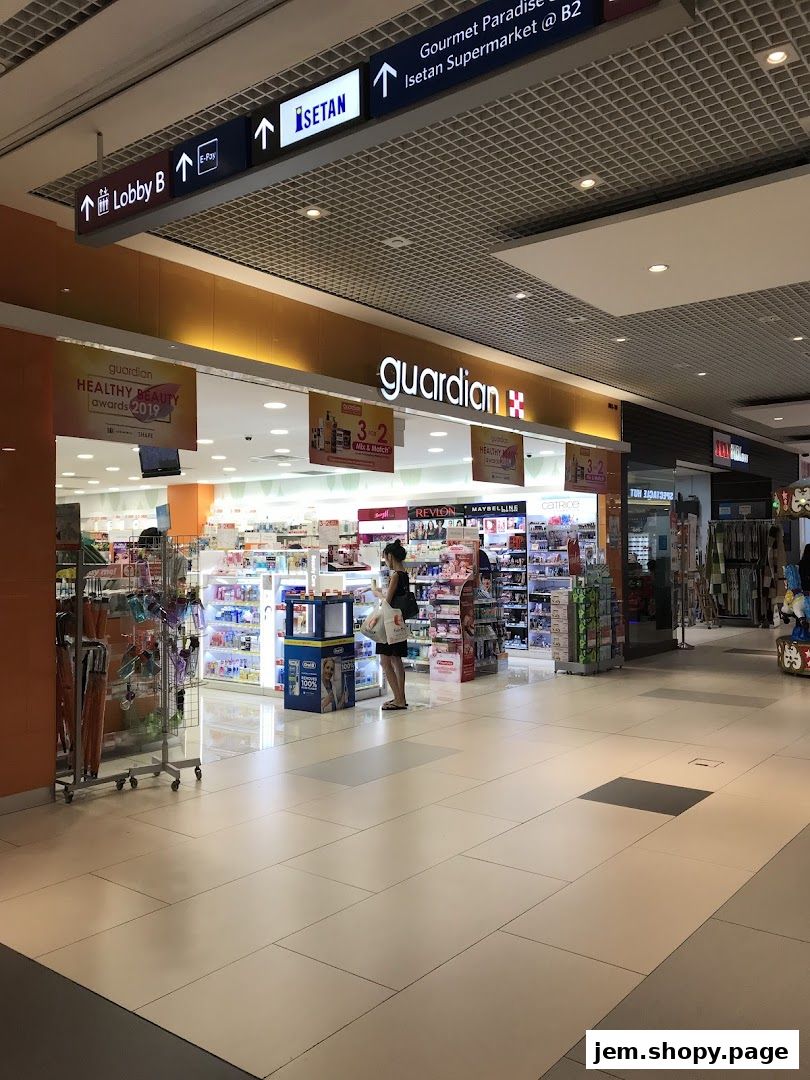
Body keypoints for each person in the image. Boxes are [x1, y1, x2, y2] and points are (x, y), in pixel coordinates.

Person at [373, 540, 409, 710]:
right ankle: (401, 698)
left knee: (385, 661)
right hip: (398, 622)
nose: (385, 561)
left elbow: (387, 602)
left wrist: (376, 593)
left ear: (390, 556)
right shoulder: (404, 574)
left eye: (385, 557)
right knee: (397, 660)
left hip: (388, 623)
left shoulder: (395, 575)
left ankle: (398, 699)